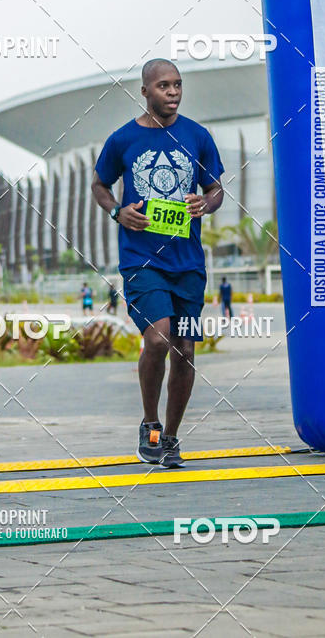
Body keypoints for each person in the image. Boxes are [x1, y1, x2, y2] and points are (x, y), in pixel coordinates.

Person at [92, 59, 224, 468]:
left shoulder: (197, 136)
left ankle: (169, 437)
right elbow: (100, 184)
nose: (173, 92)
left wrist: (206, 203)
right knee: (158, 340)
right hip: (141, 260)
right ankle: (149, 425)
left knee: (184, 349)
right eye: (164, 85)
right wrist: (117, 211)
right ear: (145, 91)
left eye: (178, 85)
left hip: (187, 265)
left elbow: (216, 188)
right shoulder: (122, 140)